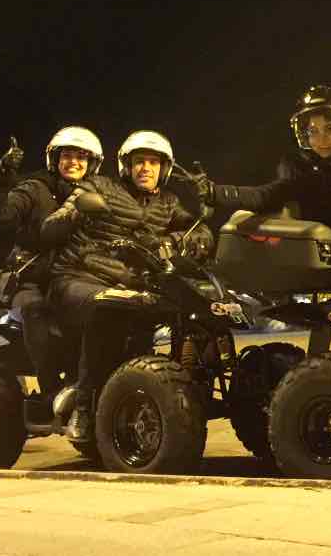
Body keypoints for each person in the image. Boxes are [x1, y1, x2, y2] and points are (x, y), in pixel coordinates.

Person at [42, 130, 212, 442]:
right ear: (126, 166)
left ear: (164, 168)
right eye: (139, 162)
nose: (145, 168)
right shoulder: (99, 187)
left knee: (178, 311)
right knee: (107, 305)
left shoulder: (168, 203)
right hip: (77, 278)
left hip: (132, 286)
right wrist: (76, 209)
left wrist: (175, 240)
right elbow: (51, 226)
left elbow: (197, 232)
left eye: (153, 162)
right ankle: (83, 406)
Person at [0, 126, 105, 413]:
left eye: (81, 157)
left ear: (92, 163)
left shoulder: (97, 194)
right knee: (36, 310)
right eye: (67, 155)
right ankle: (50, 391)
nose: (74, 162)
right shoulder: (34, 188)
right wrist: (0, 179)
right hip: (28, 277)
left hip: (75, 277)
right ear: (55, 159)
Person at [194, 84, 331, 254]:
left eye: (329, 128)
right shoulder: (311, 175)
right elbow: (267, 194)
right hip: (330, 260)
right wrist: (215, 192)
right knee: (242, 218)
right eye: (313, 131)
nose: (321, 139)